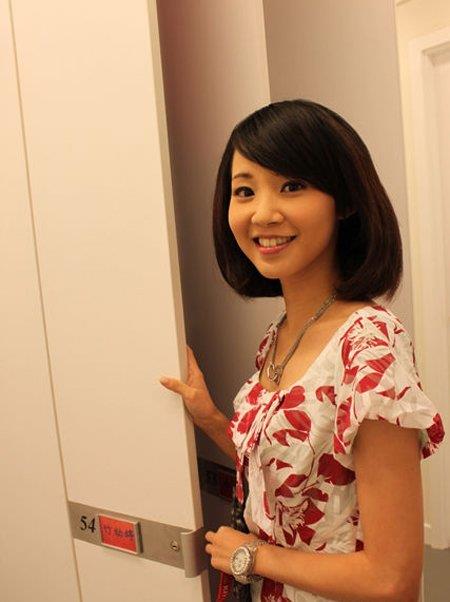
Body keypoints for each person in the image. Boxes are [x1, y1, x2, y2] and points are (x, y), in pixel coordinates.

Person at [158, 99, 446, 602]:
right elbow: (298, 481)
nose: (263, 213)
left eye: (291, 186)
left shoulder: (369, 347)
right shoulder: (282, 334)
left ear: (345, 200)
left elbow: (392, 580)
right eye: (245, 190)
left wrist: (252, 556)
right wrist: (210, 418)